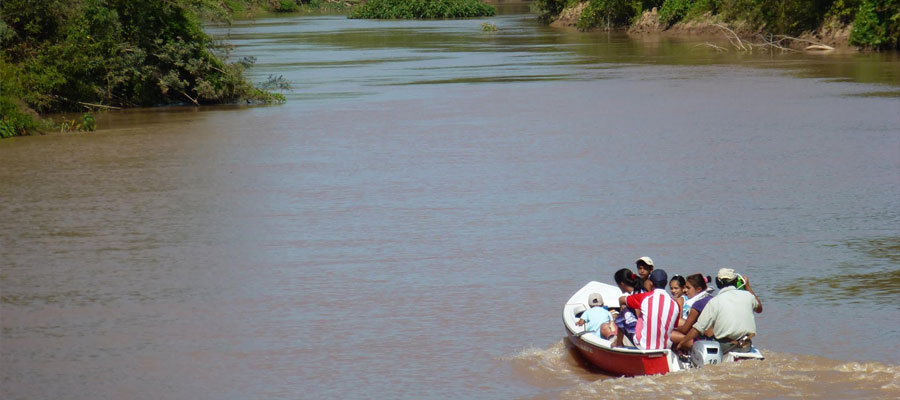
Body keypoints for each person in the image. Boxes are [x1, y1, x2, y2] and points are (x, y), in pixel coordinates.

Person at [677, 268, 762, 354]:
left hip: (725, 346)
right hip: (746, 345)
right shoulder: (748, 296)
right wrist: (747, 286)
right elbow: (759, 309)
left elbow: (697, 329)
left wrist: (681, 343)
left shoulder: (715, 301)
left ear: (718, 283)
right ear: (736, 281)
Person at [626, 269, 680, 350]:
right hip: (664, 347)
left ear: (651, 283)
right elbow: (674, 327)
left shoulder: (645, 297)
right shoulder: (675, 304)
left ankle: (618, 343)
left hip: (643, 345)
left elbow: (623, 300)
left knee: (625, 311)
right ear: (666, 283)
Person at [669, 273, 713, 349]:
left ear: (698, 289)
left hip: (706, 340)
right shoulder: (709, 298)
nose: (685, 290)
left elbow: (684, 329)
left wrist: (670, 328)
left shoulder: (698, 304)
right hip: (711, 337)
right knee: (679, 322)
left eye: (688, 288)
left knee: (669, 334)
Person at [613, 268, 640, 347]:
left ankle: (618, 343)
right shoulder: (641, 290)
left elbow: (639, 316)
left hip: (642, 335)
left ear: (622, 284)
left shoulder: (634, 296)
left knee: (623, 313)